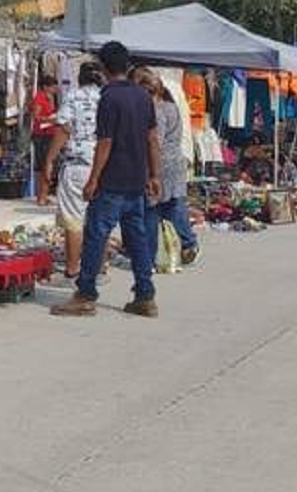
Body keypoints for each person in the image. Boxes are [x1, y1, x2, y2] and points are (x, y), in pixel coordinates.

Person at [51, 41, 162, 319]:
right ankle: (145, 296)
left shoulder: (109, 98)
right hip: (136, 181)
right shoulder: (143, 96)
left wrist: (93, 180)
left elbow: (105, 142)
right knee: (137, 239)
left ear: (103, 68)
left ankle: (85, 294)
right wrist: (154, 175)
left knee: (96, 236)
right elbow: (152, 139)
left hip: (112, 181)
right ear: (127, 65)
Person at [131, 67, 200, 267]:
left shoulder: (157, 110)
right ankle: (188, 243)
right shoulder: (170, 105)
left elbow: (155, 143)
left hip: (160, 165)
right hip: (174, 163)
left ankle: (149, 255)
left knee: (152, 209)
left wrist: (149, 170)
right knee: (174, 206)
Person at [44, 62, 104, 283]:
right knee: (98, 219)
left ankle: (72, 270)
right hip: (103, 165)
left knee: (74, 220)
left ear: (80, 78)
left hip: (77, 165)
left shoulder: (73, 96)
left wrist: (49, 160)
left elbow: (63, 129)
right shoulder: (106, 97)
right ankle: (98, 267)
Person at [29, 75, 60, 206]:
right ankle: (41, 196)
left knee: (49, 164)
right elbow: (36, 117)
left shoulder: (52, 98)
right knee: (44, 164)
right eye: (53, 86)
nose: (55, 89)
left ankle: (44, 194)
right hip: (41, 135)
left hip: (50, 133)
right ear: (46, 87)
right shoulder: (40, 98)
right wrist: (52, 119)